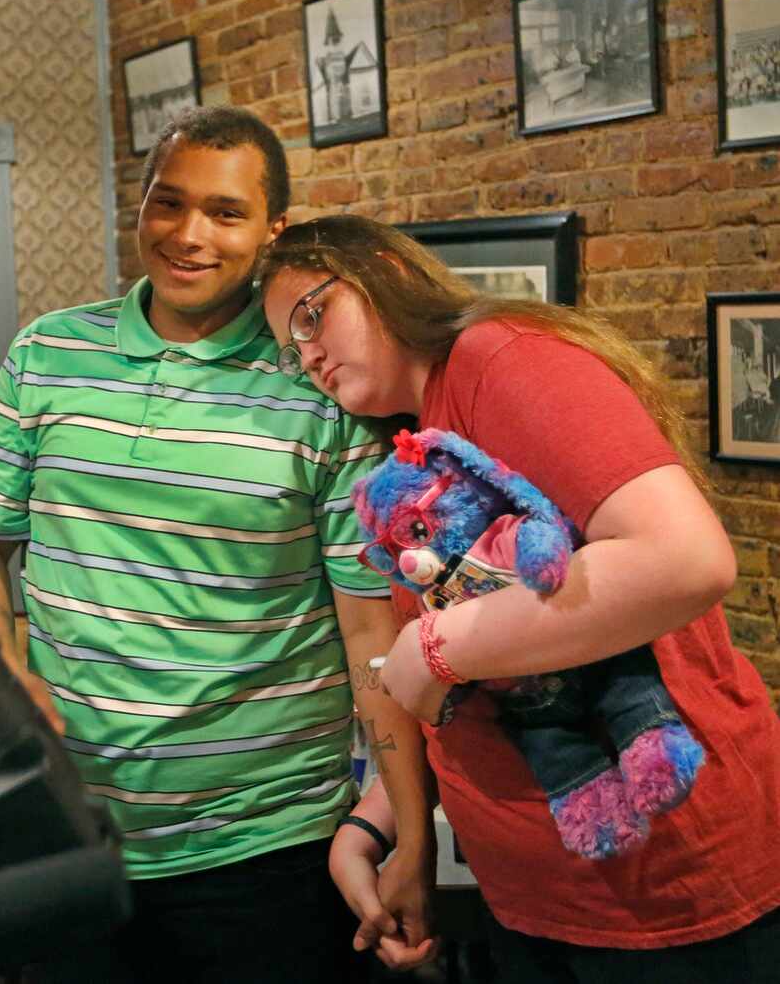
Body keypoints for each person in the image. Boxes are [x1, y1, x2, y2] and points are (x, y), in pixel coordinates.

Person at [0, 114, 434, 983]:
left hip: (266, 846)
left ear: (272, 230)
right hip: (66, 837)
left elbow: (371, 634)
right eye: (166, 203)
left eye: (224, 211)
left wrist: (408, 826)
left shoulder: (320, 380)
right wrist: (6, 680)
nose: (188, 234)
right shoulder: (47, 351)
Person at [259, 214, 780, 983]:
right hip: (539, 894)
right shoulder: (418, 442)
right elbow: (492, 679)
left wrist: (434, 646)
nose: (307, 354)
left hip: (664, 891)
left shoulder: (500, 360)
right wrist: (384, 824)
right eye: (289, 346)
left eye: (313, 314)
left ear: (388, 273)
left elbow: (686, 559)